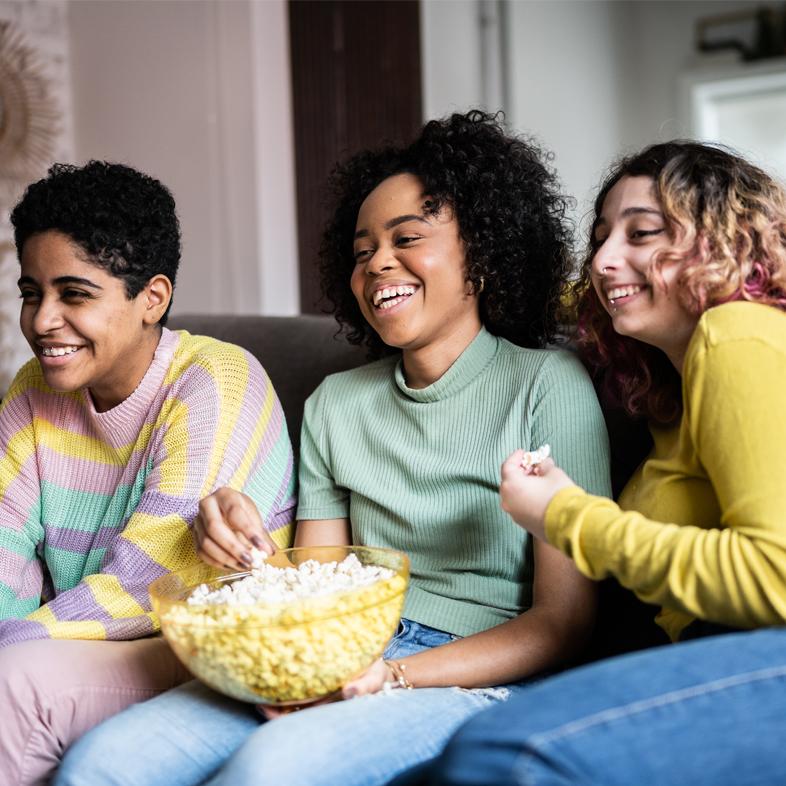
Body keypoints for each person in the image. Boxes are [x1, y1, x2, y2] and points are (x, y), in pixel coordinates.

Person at [55, 111, 611, 786]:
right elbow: (313, 590)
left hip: (479, 674)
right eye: (361, 249)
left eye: (407, 238)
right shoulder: (334, 404)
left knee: (271, 772)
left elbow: (564, 624)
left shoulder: (549, 384)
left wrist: (390, 677)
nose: (377, 261)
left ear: (485, 254)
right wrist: (250, 550)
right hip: (343, 648)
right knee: (100, 765)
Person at [393, 140, 786, 786]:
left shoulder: (738, 335)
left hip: (764, 654)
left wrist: (565, 515)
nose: (604, 262)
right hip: (715, 657)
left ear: (723, 240)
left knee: (502, 755)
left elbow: (776, 577)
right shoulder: (671, 395)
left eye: (643, 233)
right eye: (601, 238)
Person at [0, 161, 296, 786]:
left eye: (74, 294)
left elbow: (151, 583)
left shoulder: (215, 381)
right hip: (67, 643)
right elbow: (3, 555)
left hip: (192, 645)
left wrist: (15, 642)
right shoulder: (32, 392)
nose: (42, 320)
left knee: (10, 682)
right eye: (32, 292)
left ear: (152, 299)